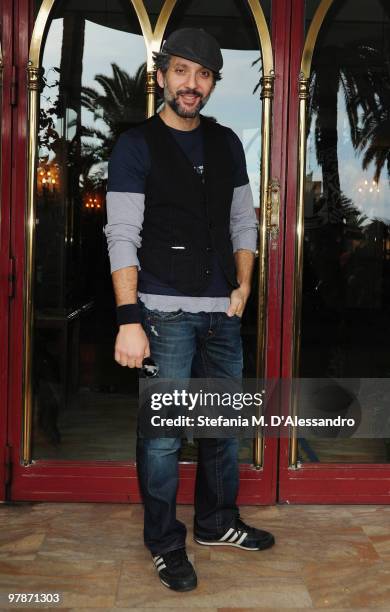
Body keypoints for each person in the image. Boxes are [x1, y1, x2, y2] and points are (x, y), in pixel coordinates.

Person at [104, 28, 275, 592]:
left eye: (203, 75)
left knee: (222, 428)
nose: (191, 84)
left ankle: (216, 523)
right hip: (161, 312)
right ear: (161, 76)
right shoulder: (136, 146)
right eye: (181, 71)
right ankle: (164, 542)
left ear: (212, 84)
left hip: (223, 312)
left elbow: (242, 222)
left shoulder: (228, 143)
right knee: (162, 438)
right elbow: (122, 235)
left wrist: (244, 288)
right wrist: (129, 318)